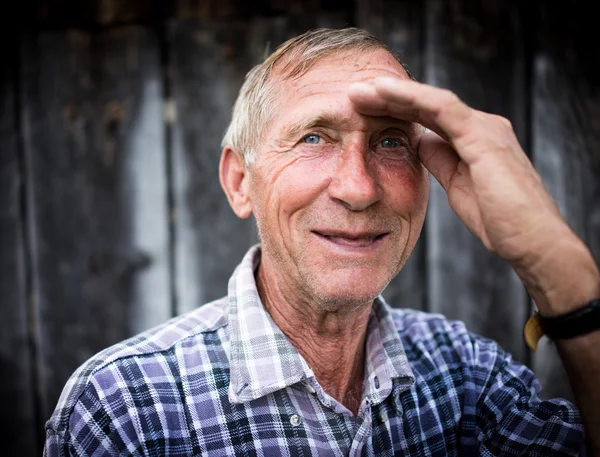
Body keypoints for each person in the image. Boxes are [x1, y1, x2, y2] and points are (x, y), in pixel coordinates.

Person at [44, 28, 600, 456]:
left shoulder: (466, 374)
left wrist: (553, 264)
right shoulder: (125, 407)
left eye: (389, 141)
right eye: (314, 137)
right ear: (241, 182)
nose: (358, 189)